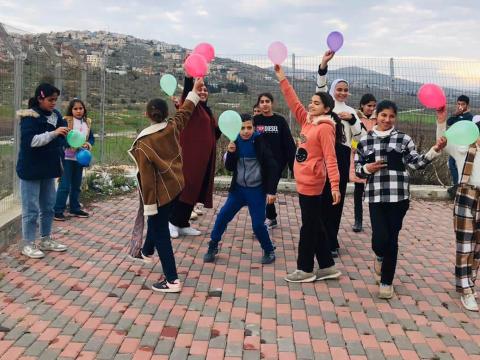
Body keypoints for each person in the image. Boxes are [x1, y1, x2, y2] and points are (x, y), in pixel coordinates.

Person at [355, 100, 446, 299]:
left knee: (392, 240)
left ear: (395, 118)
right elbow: (357, 170)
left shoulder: (403, 139)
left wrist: (435, 150)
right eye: (383, 115)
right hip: (376, 197)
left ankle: (387, 282)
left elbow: (416, 164)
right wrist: (366, 169)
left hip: (399, 198)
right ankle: (379, 256)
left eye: (391, 116)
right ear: (376, 116)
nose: (387, 120)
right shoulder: (365, 141)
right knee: (380, 239)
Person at [128, 78, 204, 293]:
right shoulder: (172, 127)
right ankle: (146, 251)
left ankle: (171, 280)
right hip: (176, 186)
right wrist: (194, 93)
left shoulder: (144, 143)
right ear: (165, 113)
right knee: (157, 224)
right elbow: (185, 112)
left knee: (160, 231)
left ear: (147, 115)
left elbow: (148, 179)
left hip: (160, 194)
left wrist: (149, 205)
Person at [274, 64, 342, 283]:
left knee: (308, 227)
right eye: (311, 102)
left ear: (326, 109)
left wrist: (334, 186)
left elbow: (331, 158)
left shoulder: (324, 128)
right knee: (315, 224)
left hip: (313, 182)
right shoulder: (308, 121)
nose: (311, 105)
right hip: (303, 181)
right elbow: (293, 101)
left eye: (316, 103)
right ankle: (328, 267)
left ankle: (304, 269)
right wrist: (282, 78)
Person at [203, 114, 278, 264]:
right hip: (238, 191)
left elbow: (272, 166)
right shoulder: (235, 141)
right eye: (242, 128)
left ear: (254, 128)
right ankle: (212, 245)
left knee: (258, 224)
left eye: (249, 127)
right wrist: (230, 153)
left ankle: (269, 250)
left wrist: (271, 191)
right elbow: (230, 167)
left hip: (256, 191)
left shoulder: (260, 141)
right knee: (222, 216)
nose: (245, 131)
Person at [316, 50, 366, 256]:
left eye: (346, 90)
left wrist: (352, 120)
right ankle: (320, 236)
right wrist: (323, 63)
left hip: (343, 155)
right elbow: (320, 86)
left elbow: (361, 136)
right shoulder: (326, 106)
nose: (343, 93)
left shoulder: (352, 111)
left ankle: (332, 239)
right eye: (339, 89)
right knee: (322, 195)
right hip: (324, 153)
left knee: (338, 197)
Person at [16, 83, 69, 259]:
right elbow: (30, 142)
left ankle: (46, 239)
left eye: (55, 99)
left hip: (48, 169)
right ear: (40, 98)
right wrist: (54, 134)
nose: (54, 103)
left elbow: (63, 138)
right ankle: (28, 243)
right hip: (31, 170)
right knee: (31, 209)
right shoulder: (30, 117)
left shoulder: (56, 116)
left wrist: (74, 141)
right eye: (50, 100)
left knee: (48, 207)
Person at [436, 107, 480, 312]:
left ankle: (469, 280)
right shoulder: (463, 148)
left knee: (477, 247)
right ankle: (466, 290)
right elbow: (442, 142)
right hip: (466, 196)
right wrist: (441, 120)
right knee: (465, 244)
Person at [169, 74, 220, 238]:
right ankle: (171, 223)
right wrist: (189, 78)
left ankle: (183, 223)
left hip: (203, 160)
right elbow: (187, 94)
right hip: (190, 157)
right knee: (186, 188)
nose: (203, 92)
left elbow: (213, 134)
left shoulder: (207, 111)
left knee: (195, 190)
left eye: (206, 90)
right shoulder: (191, 106)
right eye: (201, 89)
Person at [253, 92, 296, 229]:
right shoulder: (255, 120)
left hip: (276, 163)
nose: (265, 104)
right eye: (262, 101)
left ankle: (269, 219)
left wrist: (293, 165)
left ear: (272, 103)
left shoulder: (280, 121)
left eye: (267, 101)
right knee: (262, 190)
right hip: (259, 162)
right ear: (259, 104)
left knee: (270, 189)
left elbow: (288, 143)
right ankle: (271, 217)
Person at [54, 98, 94, 221]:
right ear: (71, 110)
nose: (78, 111)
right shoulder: (66, 121)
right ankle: (58, 211)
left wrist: (88, 144)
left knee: (76, 185)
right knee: (65, 185)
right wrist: (70, 145)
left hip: (80, 159)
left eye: (80, 108)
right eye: (75, 109)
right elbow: (60, 138)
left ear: (84, 109)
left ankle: (74, 208)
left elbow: (91, 138)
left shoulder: (87, 122)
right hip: (67, 158)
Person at [350, 94, 377, 232]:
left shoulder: (378, 120)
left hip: (373, 158)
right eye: (369, 106)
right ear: (362, 105)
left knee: (374, 191)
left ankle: (376, 221)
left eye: (373, 106)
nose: (371, 108)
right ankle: (358, 220)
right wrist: (355, 146)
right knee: (358, 190)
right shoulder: (355, 118)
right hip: (359, 157)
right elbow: (353, 136)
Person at [446, 95, 473, 196]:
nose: (460, 106)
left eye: (462, 104)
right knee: (451, 164)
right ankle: (456, 185)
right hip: (455, 144)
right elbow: (449, 122)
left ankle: (460, 185)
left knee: (462, 165)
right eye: (458, 104)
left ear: (467, 105)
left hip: (464, 145)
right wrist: (455, 114)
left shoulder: (470, 117)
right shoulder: (456, 115)